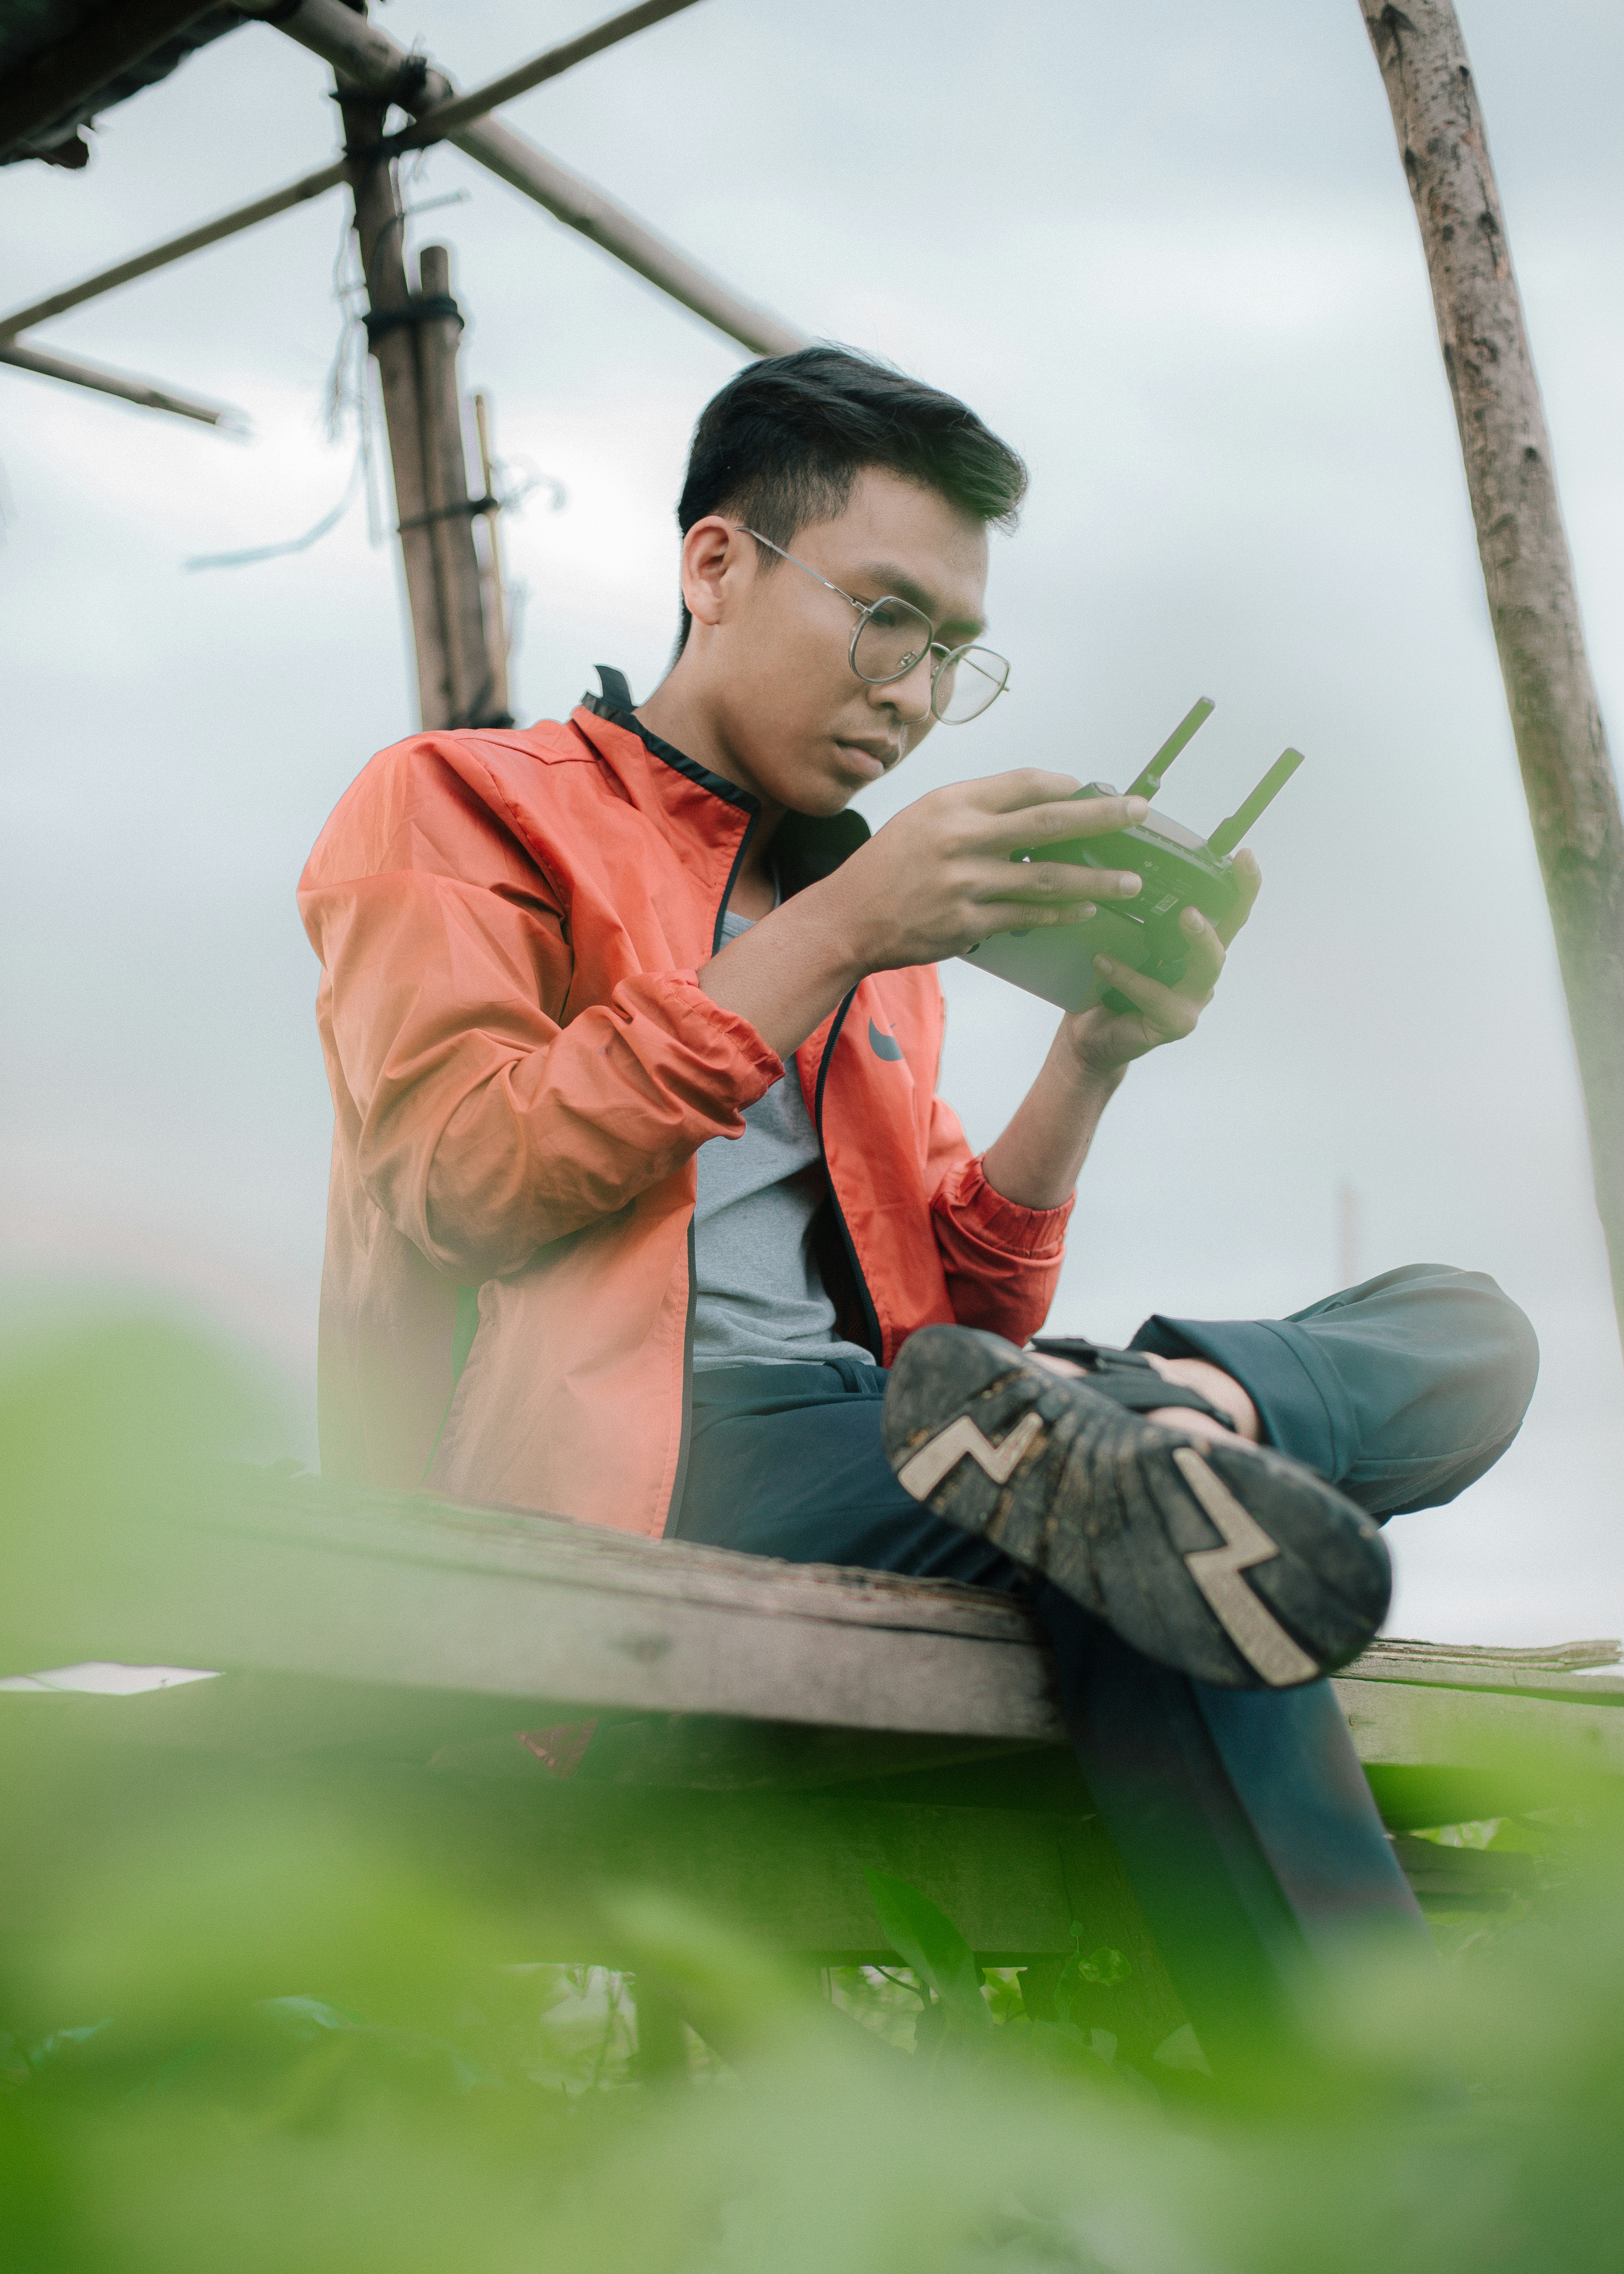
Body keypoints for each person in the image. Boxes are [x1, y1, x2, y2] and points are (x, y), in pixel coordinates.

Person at [300, 347, 1538, 2070]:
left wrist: (1092, 1057)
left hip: (906, 1434)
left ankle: (1182, 1414)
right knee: (1150, 1542)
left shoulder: (875, 930)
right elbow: (468, 1178)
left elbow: (960, 1326)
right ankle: (1390, 2113)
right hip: (634, 1476)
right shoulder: (458, 803)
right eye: (884, 615)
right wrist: (838, 929)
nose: (913, 688)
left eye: (951, 650)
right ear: (714, 565)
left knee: (1469, 1331)